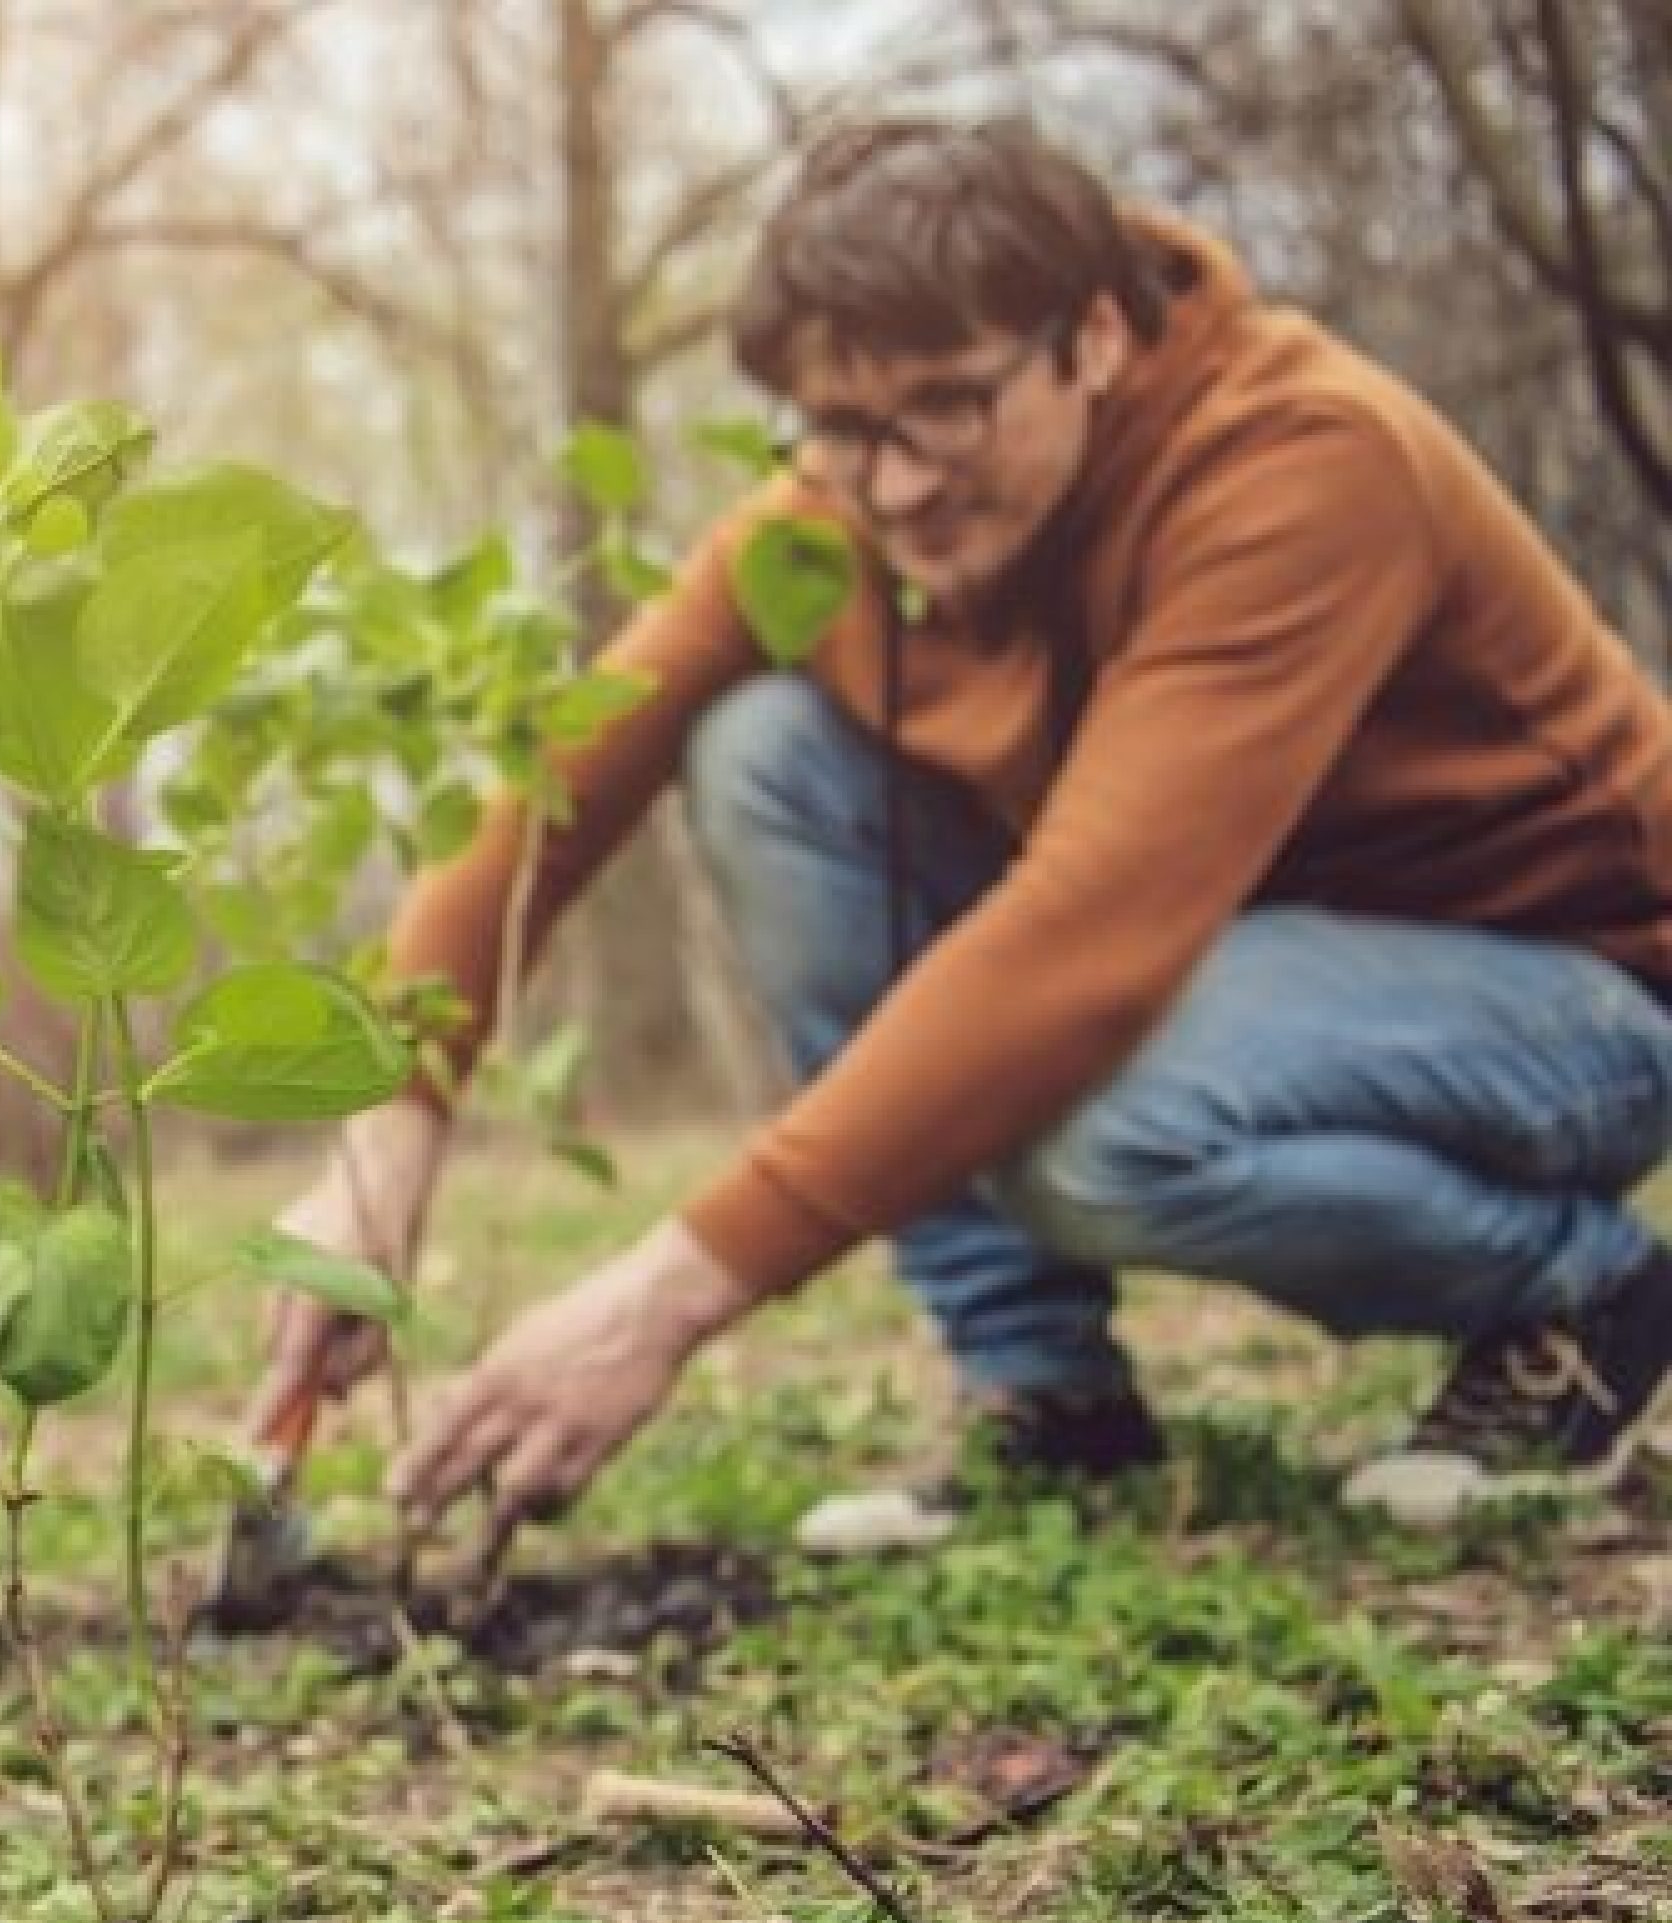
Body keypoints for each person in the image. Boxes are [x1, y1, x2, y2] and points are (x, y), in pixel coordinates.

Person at [251, 116, 1672, 1567]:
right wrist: (386, 1141)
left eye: (950, 408)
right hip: (1251, 965)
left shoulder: (1298, 464)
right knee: (764, 755)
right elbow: (552, 788)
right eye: (846, 427)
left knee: (1101, 1128)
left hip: (1581, 996)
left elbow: (1085, 947)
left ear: (1096, 337)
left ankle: (1580, 1296)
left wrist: (663, 1295)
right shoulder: (843, 512)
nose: (899, 484)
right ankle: (1045, 1395)